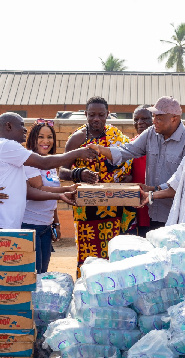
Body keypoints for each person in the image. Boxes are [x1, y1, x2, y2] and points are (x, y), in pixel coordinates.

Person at [86, 96, 185, 234]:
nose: (154, 121)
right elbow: (127, 150)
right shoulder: (152, 133)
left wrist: (154, 189)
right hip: (154, 211)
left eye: (159, 118)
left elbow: (183, 182)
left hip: (177, 215)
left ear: (174, 118)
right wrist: (101, 149)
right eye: (154, 117)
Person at [0, 112, 97, 229]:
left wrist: (63, 193)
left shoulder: (12, 151)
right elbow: (44, 163)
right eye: (21, 125)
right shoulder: (6, 146)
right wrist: (77, 153)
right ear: (9, 126)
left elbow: (28, 190)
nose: (25, 129)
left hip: (5, 222)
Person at [59, 97, 133, 276]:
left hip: (113, 207)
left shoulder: (117, 138)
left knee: (113, 254)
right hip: (86, 210)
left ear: (108, 115)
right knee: (87, 256)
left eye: (101, 114)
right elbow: (61, 171)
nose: (96, 119)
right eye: (92, 115)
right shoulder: (76, 139)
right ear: (85, 115)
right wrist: (79, 173)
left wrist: (122, 180)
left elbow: (129, 167)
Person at [22, 119, 78, 273]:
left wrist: (56, 223)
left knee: (43, 272)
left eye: (50, 137)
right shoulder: (30, 161)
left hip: (46, 227)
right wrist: (66, 190)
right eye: (41, 137)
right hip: (29, 226)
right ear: (33, 139)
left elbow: (51, 197)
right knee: (35, 275)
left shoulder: (50, 165)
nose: (46, 141)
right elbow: (39, 189)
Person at [130, 105, 153, 236]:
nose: (140, 123)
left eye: (145, 118)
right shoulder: (129, 146)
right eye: (136, 119)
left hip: (155, 202)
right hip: (135, 204)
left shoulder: (162, 145)